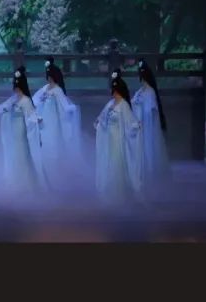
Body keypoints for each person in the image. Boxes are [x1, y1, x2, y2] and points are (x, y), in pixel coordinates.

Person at [93, 69, 143, 203]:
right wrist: (98, 123)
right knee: (108, 162)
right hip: (108, 139)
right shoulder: (110, 104)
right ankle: (109, 192)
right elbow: (102, 117)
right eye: (112, 89)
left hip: (118, 139)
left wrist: (136, 126)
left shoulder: (124, 105)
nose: (113, 92)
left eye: (115, 89)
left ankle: (119, 193)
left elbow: (130, 122)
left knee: (117, 163)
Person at [0, 66, 47, 192]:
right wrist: (6, 110)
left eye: (18, 88)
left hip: (21, 130)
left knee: (22, 153)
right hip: (14, 129)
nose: (16, 90)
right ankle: (16, 182)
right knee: (15, 155)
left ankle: (26, 184)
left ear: (21, 87)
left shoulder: (26, 100)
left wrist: (37, 120)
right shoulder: (14, 99)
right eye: (15, 88)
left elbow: (32, 115)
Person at [33, 57, 83, 187]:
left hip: (53, 122)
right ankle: (45, 174)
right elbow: (36, 100)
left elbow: (65, 106)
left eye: (51, 76)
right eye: (48, 76)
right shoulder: (45, 88)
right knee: (44, 143)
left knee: (53, 144)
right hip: (44, 119)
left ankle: (56, 175)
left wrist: (74, 108)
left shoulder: (57, 90)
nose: (49, 78)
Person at [132, 59, 171, 192]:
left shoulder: (150, 92)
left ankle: (150, 177)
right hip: (139, 126)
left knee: (148, 149)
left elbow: (151, 111)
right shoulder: (140, 91)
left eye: (142, 74)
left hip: (146, 127)